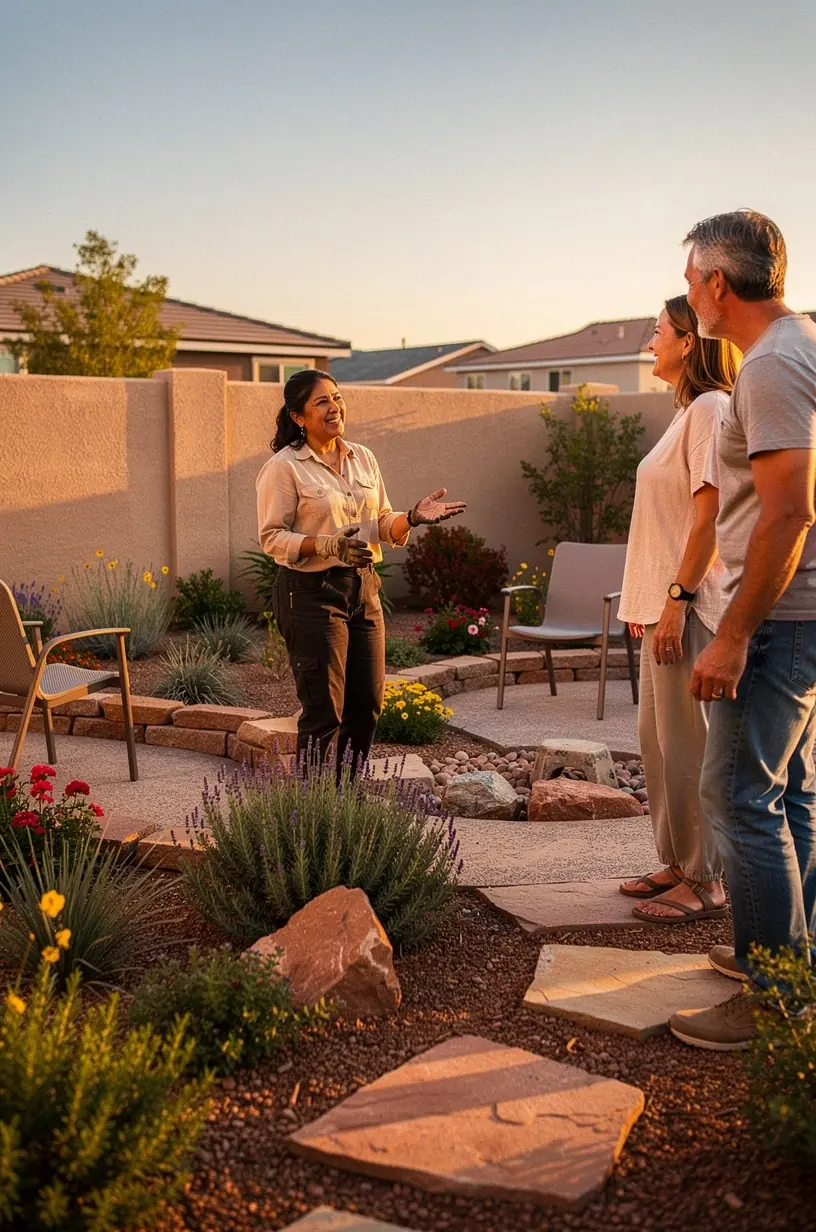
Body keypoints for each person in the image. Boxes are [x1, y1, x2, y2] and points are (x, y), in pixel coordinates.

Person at [668, 210, 816, 1050]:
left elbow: (789, 512)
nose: (690, 295)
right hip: (799, 615)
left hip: (776, 620)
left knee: (740, 798)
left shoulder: (770, 366)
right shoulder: (803, 344)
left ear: (718, 284)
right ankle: (796, 960)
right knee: (791, 792)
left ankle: (775, 999)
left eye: (692, 281)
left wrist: (731, 635)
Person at [257, 369, 466, 772]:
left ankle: (347, 796)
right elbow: (272, 538)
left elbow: (380, 523)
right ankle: (314, 804)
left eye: (337, 397)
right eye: (321, 401)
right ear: (298, 417)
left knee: (367, 704)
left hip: (364, 588)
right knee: (324, 711)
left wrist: (411, 517)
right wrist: (325, 545)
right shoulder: (284, 467)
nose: (334, 407)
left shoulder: (363, 457)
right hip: (311, 593)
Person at [618, 297, 739, 922]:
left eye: (659, 332)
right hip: (661, 608)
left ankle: (708, 878)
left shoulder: (712, 409)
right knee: (659, 744)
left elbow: (710, 517)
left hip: (688, 609)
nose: (651, 342)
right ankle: (676, 861)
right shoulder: (686, 413)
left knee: (690, 748)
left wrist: (677, 600)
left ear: (689, 342)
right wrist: (648, 601)